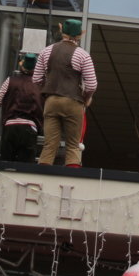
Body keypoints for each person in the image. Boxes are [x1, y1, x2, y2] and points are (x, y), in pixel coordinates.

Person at [32, 19, 97, 167]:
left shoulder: (46, 51)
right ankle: (71, 177)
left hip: (51, 101)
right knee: (73, 146)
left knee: (49, 145)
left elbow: (36, 79)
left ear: (62, 31)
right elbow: (92, 84)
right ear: (80, 35)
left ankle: (42, 176)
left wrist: (48, 88)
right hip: (74, 101)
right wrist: (85, 98)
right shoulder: (83, 55)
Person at [0, 53, 44, 162]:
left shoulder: (10, 81)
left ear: (21, 66)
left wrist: (9, 101)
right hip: (30, 128)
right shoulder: (40, 85)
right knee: (25, 167)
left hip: (10, 126)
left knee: (6, 164)